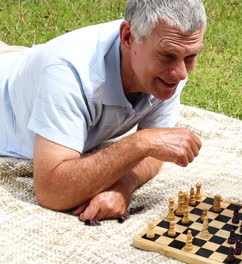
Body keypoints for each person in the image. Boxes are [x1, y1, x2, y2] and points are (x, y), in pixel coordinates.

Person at [0, 0, 206, 221]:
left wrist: (124, 185)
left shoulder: (170, 56)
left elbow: (159, 147)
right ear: (128, 37)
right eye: (167, 55)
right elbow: (51, 192)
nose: (181, 73)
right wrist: (140, 142)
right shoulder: (67, 71)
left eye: (191, 57)